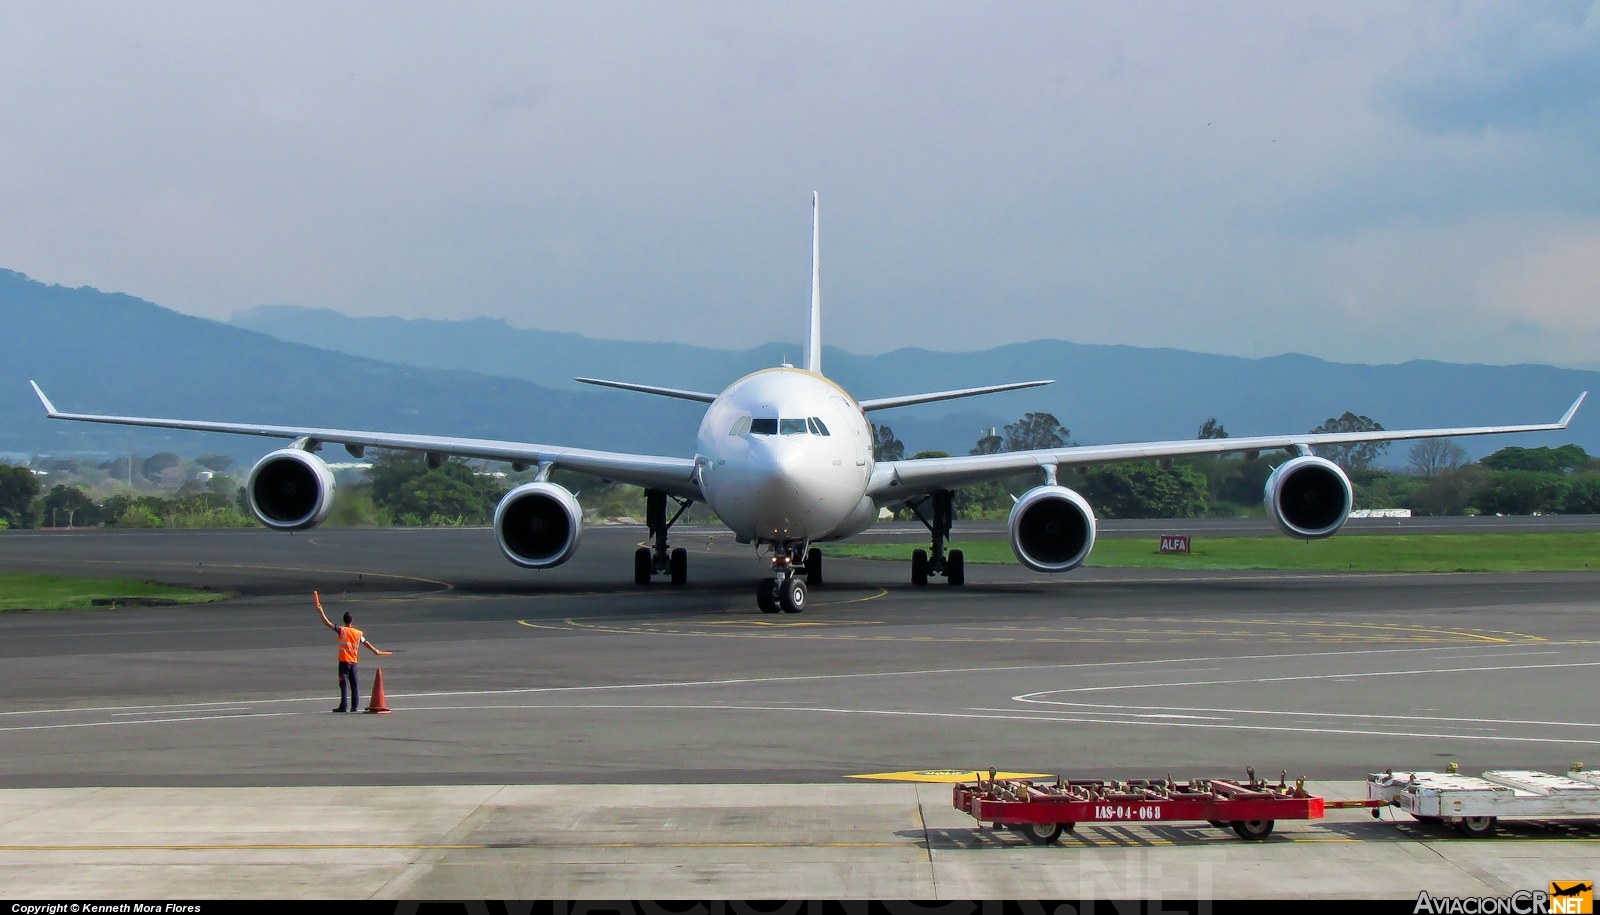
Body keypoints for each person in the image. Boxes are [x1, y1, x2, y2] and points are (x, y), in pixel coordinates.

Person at [315, 591, 391, 713]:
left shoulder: (342, 630)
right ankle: (354, 706)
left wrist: (321, 611)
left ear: (343, 620)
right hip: (354, 662)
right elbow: (365, 642)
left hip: (344, 661)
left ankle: (343, 706)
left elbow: (327, 623)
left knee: (343, 684)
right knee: (354, 684)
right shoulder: (358, 633)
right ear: (352, 620)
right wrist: (375, 650)